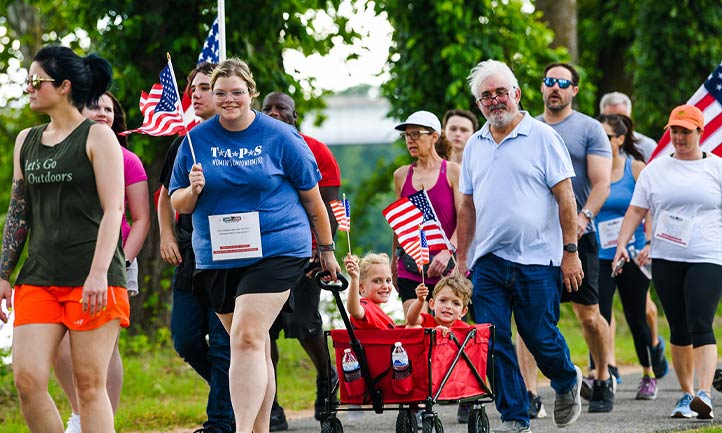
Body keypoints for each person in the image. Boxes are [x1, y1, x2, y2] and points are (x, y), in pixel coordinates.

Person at [169, 58, 341, 433]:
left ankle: (242, 429)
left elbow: (313, 200)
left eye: (237, 93)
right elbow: (176, 202)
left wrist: (327, 250)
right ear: (210, 97)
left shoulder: (280, 137)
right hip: (218, 253)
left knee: (246, 335)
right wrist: (193, 189)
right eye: (220, 94)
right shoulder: (196, 141)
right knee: (254, 343)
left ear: (251, 93)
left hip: (277, 247)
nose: (229, 100)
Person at [0, 45, 128, 433]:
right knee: (27, 380)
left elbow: (114, 210)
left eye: (37, 81)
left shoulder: (98, 137)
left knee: (89, 386)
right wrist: (4, 274)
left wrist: (98, 274)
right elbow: (19, 210)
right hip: (38, 277)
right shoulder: (27, 140)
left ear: (64, 86)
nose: (29, 87)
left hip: (93, 279)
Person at [456, 59, 583, 433]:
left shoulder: (543, 137)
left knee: (539, 335)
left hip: (538, 259)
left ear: (516, 94)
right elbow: (466, 207)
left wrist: (570, 252)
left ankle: (565, 379)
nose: (494, 100)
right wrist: (462, 259)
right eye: (486, 96)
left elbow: (566, 198)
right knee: (492, 340)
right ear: (479, 104)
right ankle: (515, 417)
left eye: (500, 92)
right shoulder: (475, 146)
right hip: (488, 262)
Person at [516, 62, 614, 414]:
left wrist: (584, 217)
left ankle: (602, 376)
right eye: (548, 82)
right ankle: (530, 392)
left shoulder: (589, 128)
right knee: (529, 317)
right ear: (541, 88)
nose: (554, 87)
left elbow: (601, 181)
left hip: (578, 234)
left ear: (574, 89)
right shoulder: (526, 129)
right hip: (536, 238)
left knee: (589, 315)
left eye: (562, 82)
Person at [613, 104, 722, 420]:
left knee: (700, 321)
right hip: (666, 256)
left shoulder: (716, 168)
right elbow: (636, 210)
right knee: (677, 327)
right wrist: (622, 243)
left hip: (708, 255)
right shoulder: (655, 170)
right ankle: (687, 395)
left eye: (685, 131)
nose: (678, 137)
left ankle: (704, 392)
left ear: (700, 132)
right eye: (674, 130)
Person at [53, 91, 150, 433]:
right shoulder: (63, 154)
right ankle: (82, 414)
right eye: (95, 106)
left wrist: (123, 259)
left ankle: (102, 417)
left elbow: (140, 220)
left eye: (108, 109)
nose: (102, 113)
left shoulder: (128, 160)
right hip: (64, 260)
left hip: (116, 261)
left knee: (104, 348)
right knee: (61, 345)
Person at [158, 61, 235, 433]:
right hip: (190, 253)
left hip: (230, 252)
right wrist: (166, 235)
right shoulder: (184, 141)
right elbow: (164, 197)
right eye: (197, 88)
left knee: (224, 344)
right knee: (186, 339)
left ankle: (221, 421)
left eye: (208, 87)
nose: (200, 94)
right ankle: (234, 391)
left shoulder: (238, 139)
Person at [261, 91, 342, 428]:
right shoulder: (251, 150)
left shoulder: (315, 150)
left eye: (282, 108)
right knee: (264, 331)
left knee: (305, 324)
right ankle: (272, 405)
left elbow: (330, 207)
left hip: (305, 253)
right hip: (260, 253)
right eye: (267, 108)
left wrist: (324, 249)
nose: (274, 113)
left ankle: (327, 380)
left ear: (294, 116)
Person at [595, 114, 662, 400]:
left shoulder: (635, 168)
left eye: (607, 137)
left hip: (632, 254)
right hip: (599, 255)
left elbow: (654, 207)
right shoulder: (591, 171)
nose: (601, 142)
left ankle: (648, 373)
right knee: (598, 317)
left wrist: (649, 241)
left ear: (620, 139)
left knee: (637, 317)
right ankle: (601, 373)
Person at [391, 111, 462, 318]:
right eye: (406, 135)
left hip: (447, 269)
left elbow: (464, 220)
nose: (410, 140)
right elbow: (400, 223)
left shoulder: (452, 171)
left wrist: (448, 251)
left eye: (416, 134)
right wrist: (395, 261)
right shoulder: (401, 175)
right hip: (410, 267)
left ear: (434, 136)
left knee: (445, 334)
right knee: (416, 330)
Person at [599, 92, 657, 162]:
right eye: (610, 118)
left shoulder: (647, 146)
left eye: (621, 118)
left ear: (629, 117)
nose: (616, 122)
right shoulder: (593, 145)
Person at [344, 253, 396, 330]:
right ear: (361, 287)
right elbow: (355, 311)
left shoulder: (380, 313)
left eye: (388, 280)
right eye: (377, 281)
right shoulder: (366, 306)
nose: (385, 286)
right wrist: (355, 279)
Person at [406, 274, 472, 333]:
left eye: (456, 303)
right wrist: (420, 301)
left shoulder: (464, 330)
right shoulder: (427, 320)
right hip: (425, 346)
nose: (448, 306)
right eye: (443, 300)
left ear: (463, 311)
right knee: (412, 327)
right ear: (432, 304)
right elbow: (411, 320)